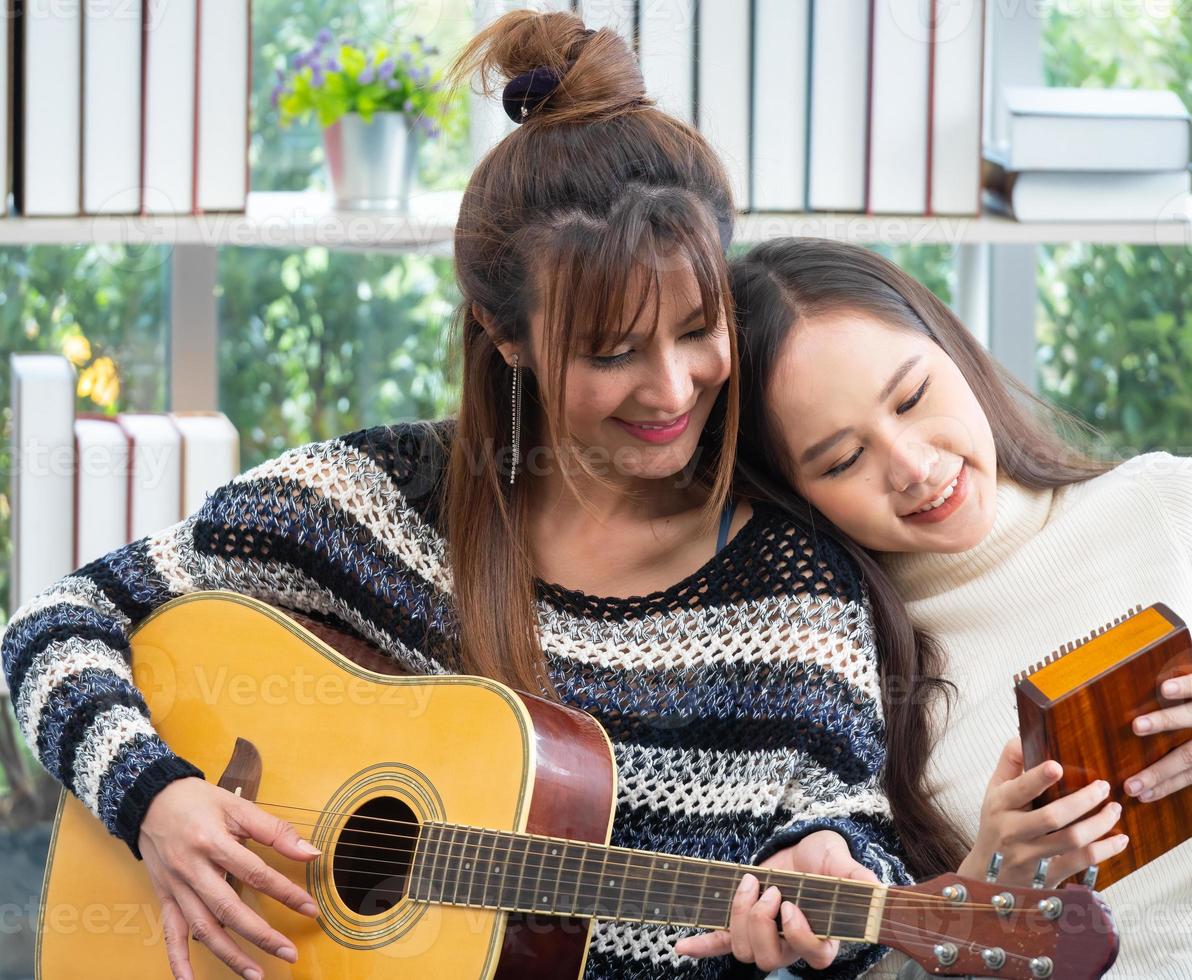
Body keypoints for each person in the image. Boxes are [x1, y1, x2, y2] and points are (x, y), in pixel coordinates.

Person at [0, 15, 943, 980]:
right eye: (611, 351)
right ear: (508, 336)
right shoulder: (373, 503)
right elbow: (54, 621)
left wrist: (836, 882)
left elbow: (848, 841)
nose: (670, 388)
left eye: (699, 330)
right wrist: (155, 799)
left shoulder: (795, 589)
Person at [728, 235, 1192, 978]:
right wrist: (981, 902)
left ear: (954, 346)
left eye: (913, 397)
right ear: (791, 495)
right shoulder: (847, 692)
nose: (914, 467)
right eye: (843, 460)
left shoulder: (1167, 505)